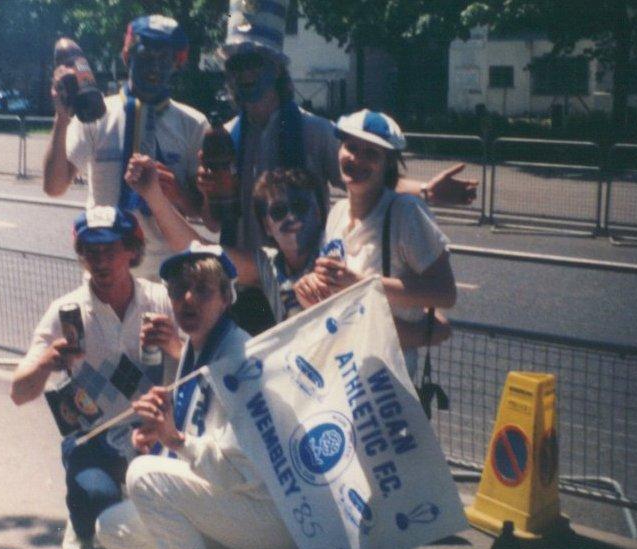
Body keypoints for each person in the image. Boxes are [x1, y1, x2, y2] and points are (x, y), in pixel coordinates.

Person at [197, 0, 474, 332]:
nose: (245, 74)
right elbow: (214, 222)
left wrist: (426, 190)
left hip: (302, 290)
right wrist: (205, 193)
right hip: (241, 287)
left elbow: (364, 176)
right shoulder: (225, 137)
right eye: (237, 64)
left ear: (276, 68)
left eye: (254, 61)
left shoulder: (312, 130)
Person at [96, 243, 297, 549]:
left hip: (270, 514)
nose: (187, 299)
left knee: (144, 477)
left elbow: (242, 472)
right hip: (234, 503)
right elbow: (199, 438)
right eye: (178, 290)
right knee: (110, 527)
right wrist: (158, 437)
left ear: (226, 298)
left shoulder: (237, 359)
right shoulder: (197, 345)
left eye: (202, 290)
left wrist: (175, 440)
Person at [125, 155, 449, 347]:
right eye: (279, 212)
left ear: (320, 213)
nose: (291, 218)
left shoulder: (338, 254)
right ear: (266, 226)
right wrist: (153, 194)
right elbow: (200, 250)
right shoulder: (268, 266)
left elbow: (436, 324)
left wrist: (422, 333)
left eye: (300, 207)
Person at [10, 206, 179, 549]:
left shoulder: (160, 300)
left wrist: (175, 346)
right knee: (97, 500)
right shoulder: (66, 310)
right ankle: (82, 518)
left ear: (132, 250)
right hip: (95, 438)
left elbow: (202, 365)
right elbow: (18, 393)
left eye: (110, 250)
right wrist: (45, 363)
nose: (100, 262)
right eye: (91, 251)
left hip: (153, 431)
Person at [43, 15, 210, 280]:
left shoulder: (194, 124)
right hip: (105, 271)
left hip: (170, 272)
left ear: (176, 64)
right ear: (127, 57)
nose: (154, 68)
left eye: (164, 58)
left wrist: (178, 194)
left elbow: (204, 211)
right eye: (145, 56)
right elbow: (54, 187)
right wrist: (62, 117)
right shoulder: (96, 115)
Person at [294, 109, 457, 377]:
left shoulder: (406, 213)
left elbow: (444, 292)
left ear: (388, 164)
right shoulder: (337, 212)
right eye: (351, 147)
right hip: (341, 367)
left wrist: (360, 285)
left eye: (371, 153)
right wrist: (311, 287)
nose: (357, 159)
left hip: (387, 378)